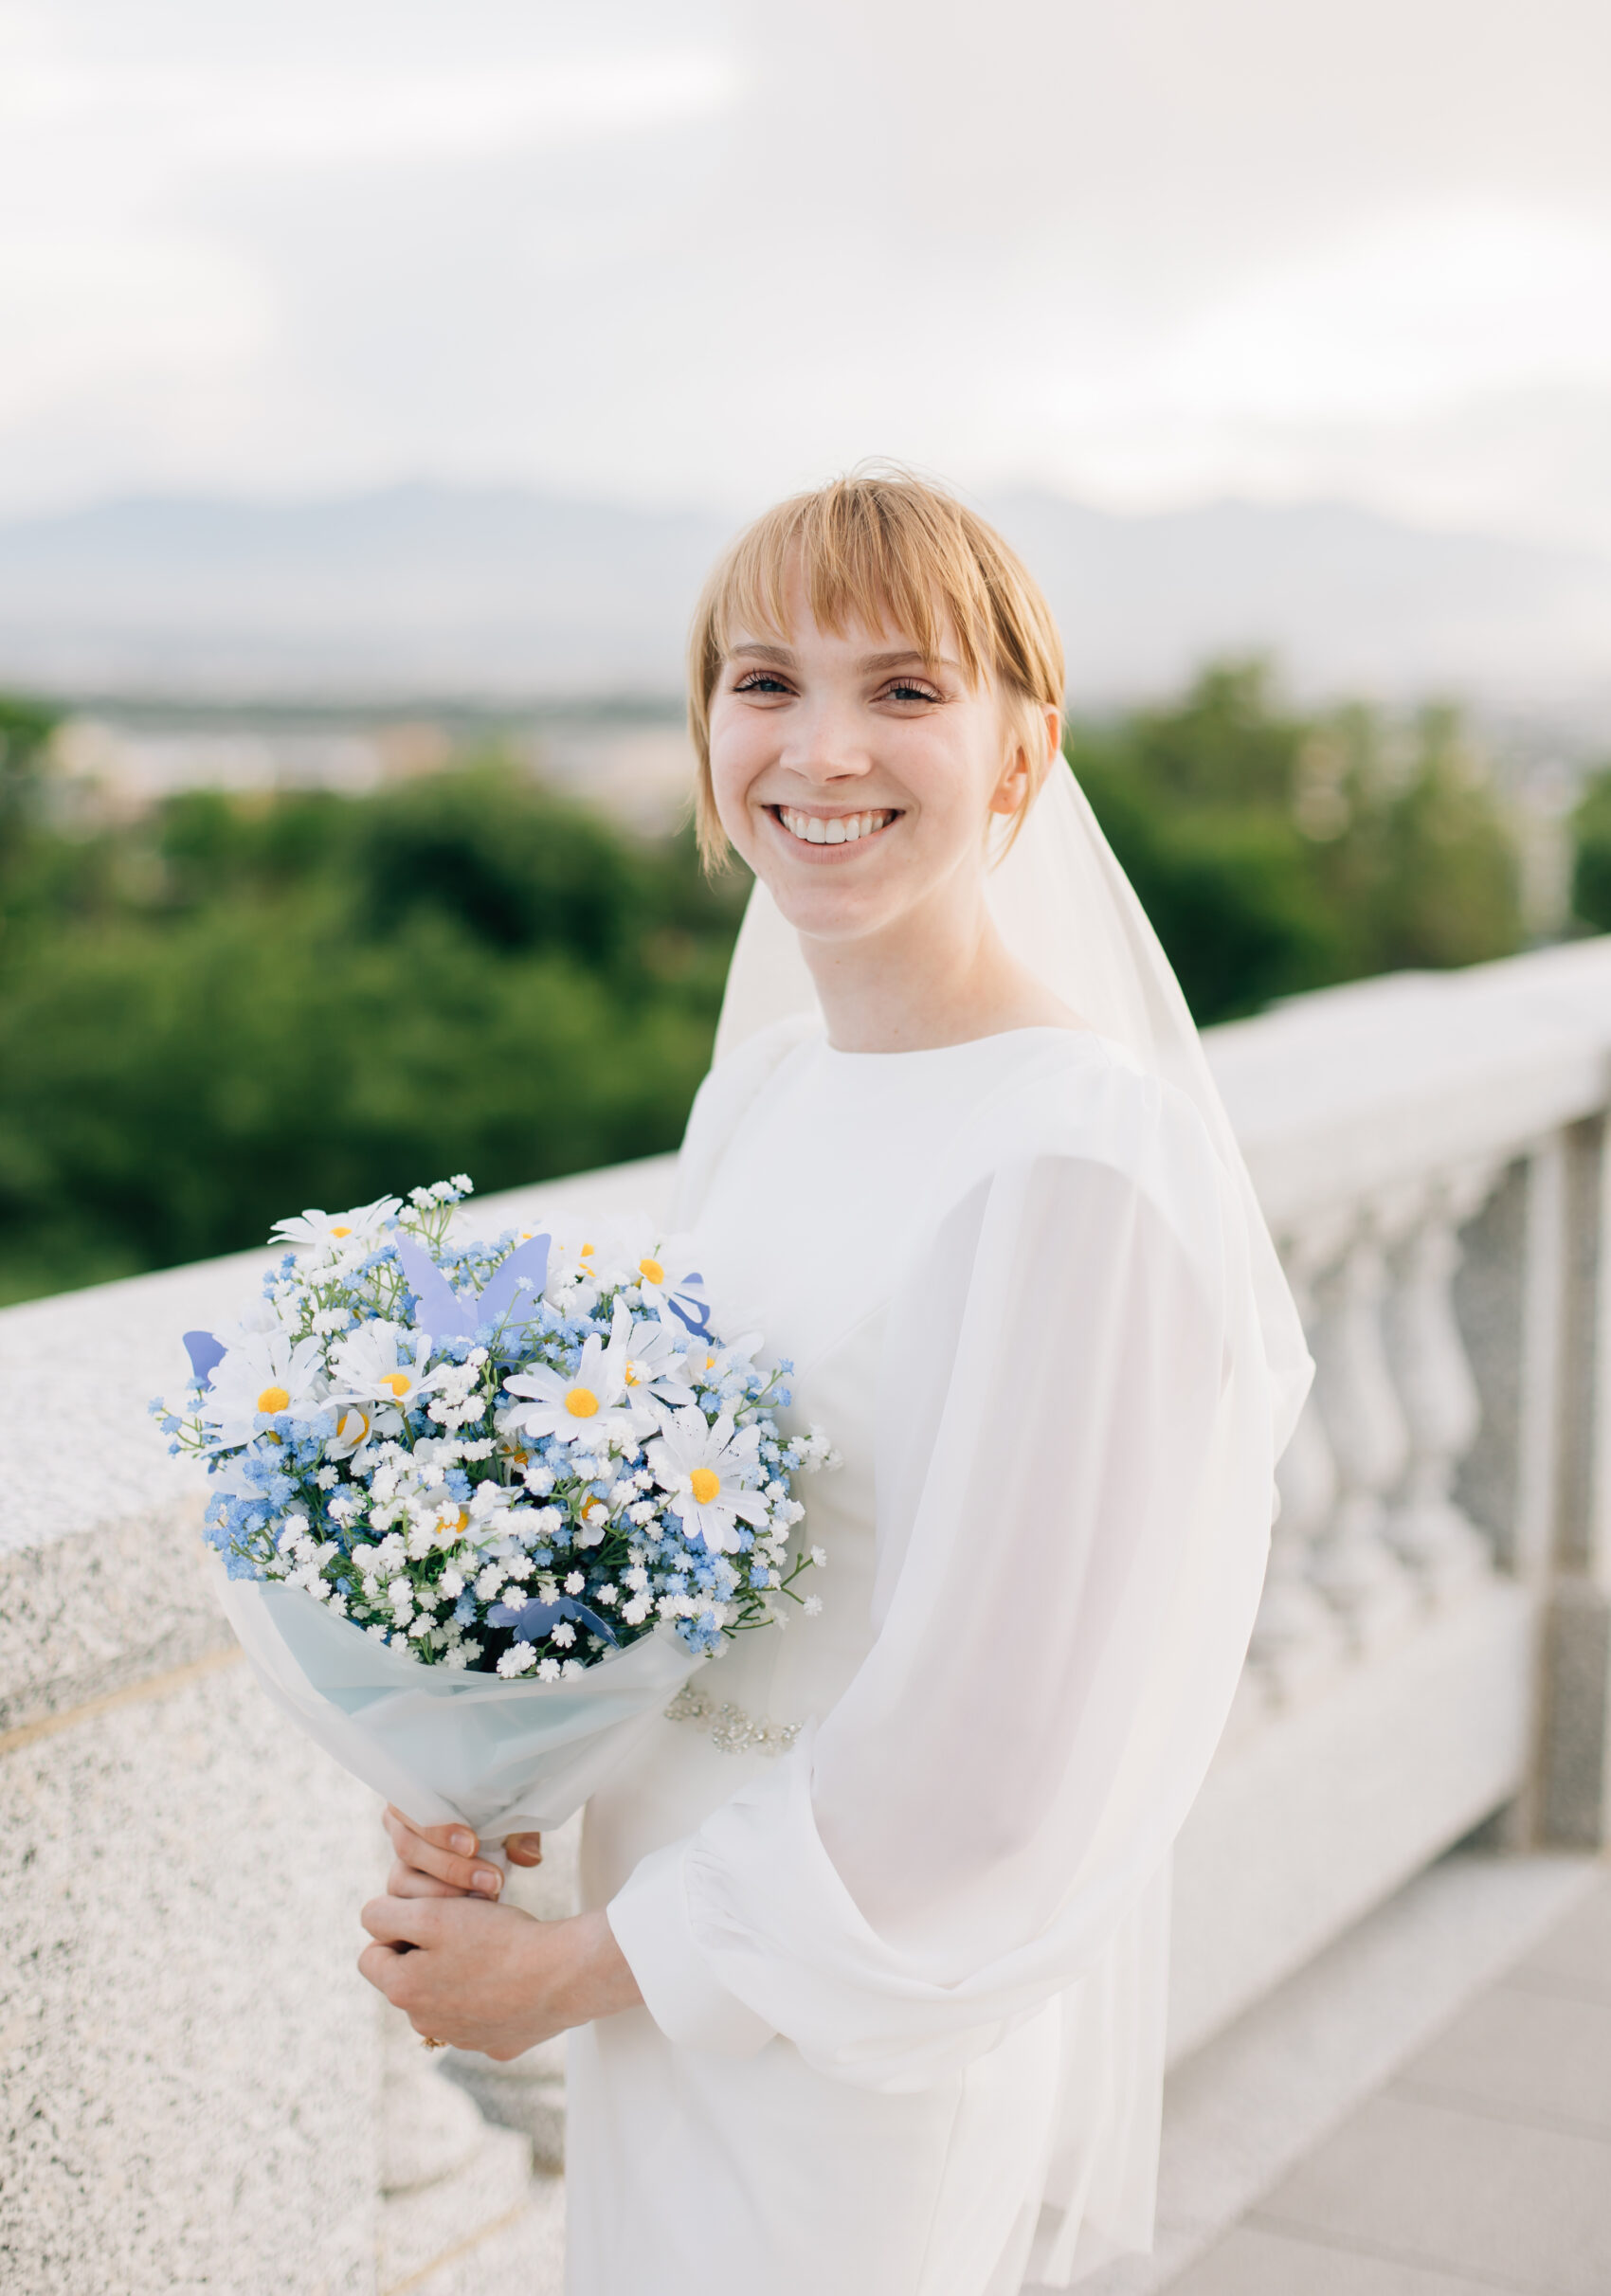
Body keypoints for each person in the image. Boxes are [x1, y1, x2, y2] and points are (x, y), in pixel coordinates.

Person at [357, 470, 1312, 2293]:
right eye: (764, 679)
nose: (819, 746)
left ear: (1022, 758)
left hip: (858, 2034)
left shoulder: (1075, 1162)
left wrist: (562, 1975)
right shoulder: (774, 1096)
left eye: (904, 689)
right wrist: (495, 1774)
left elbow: (995, 1761)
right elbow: (699, 1558)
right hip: (673, 1958)